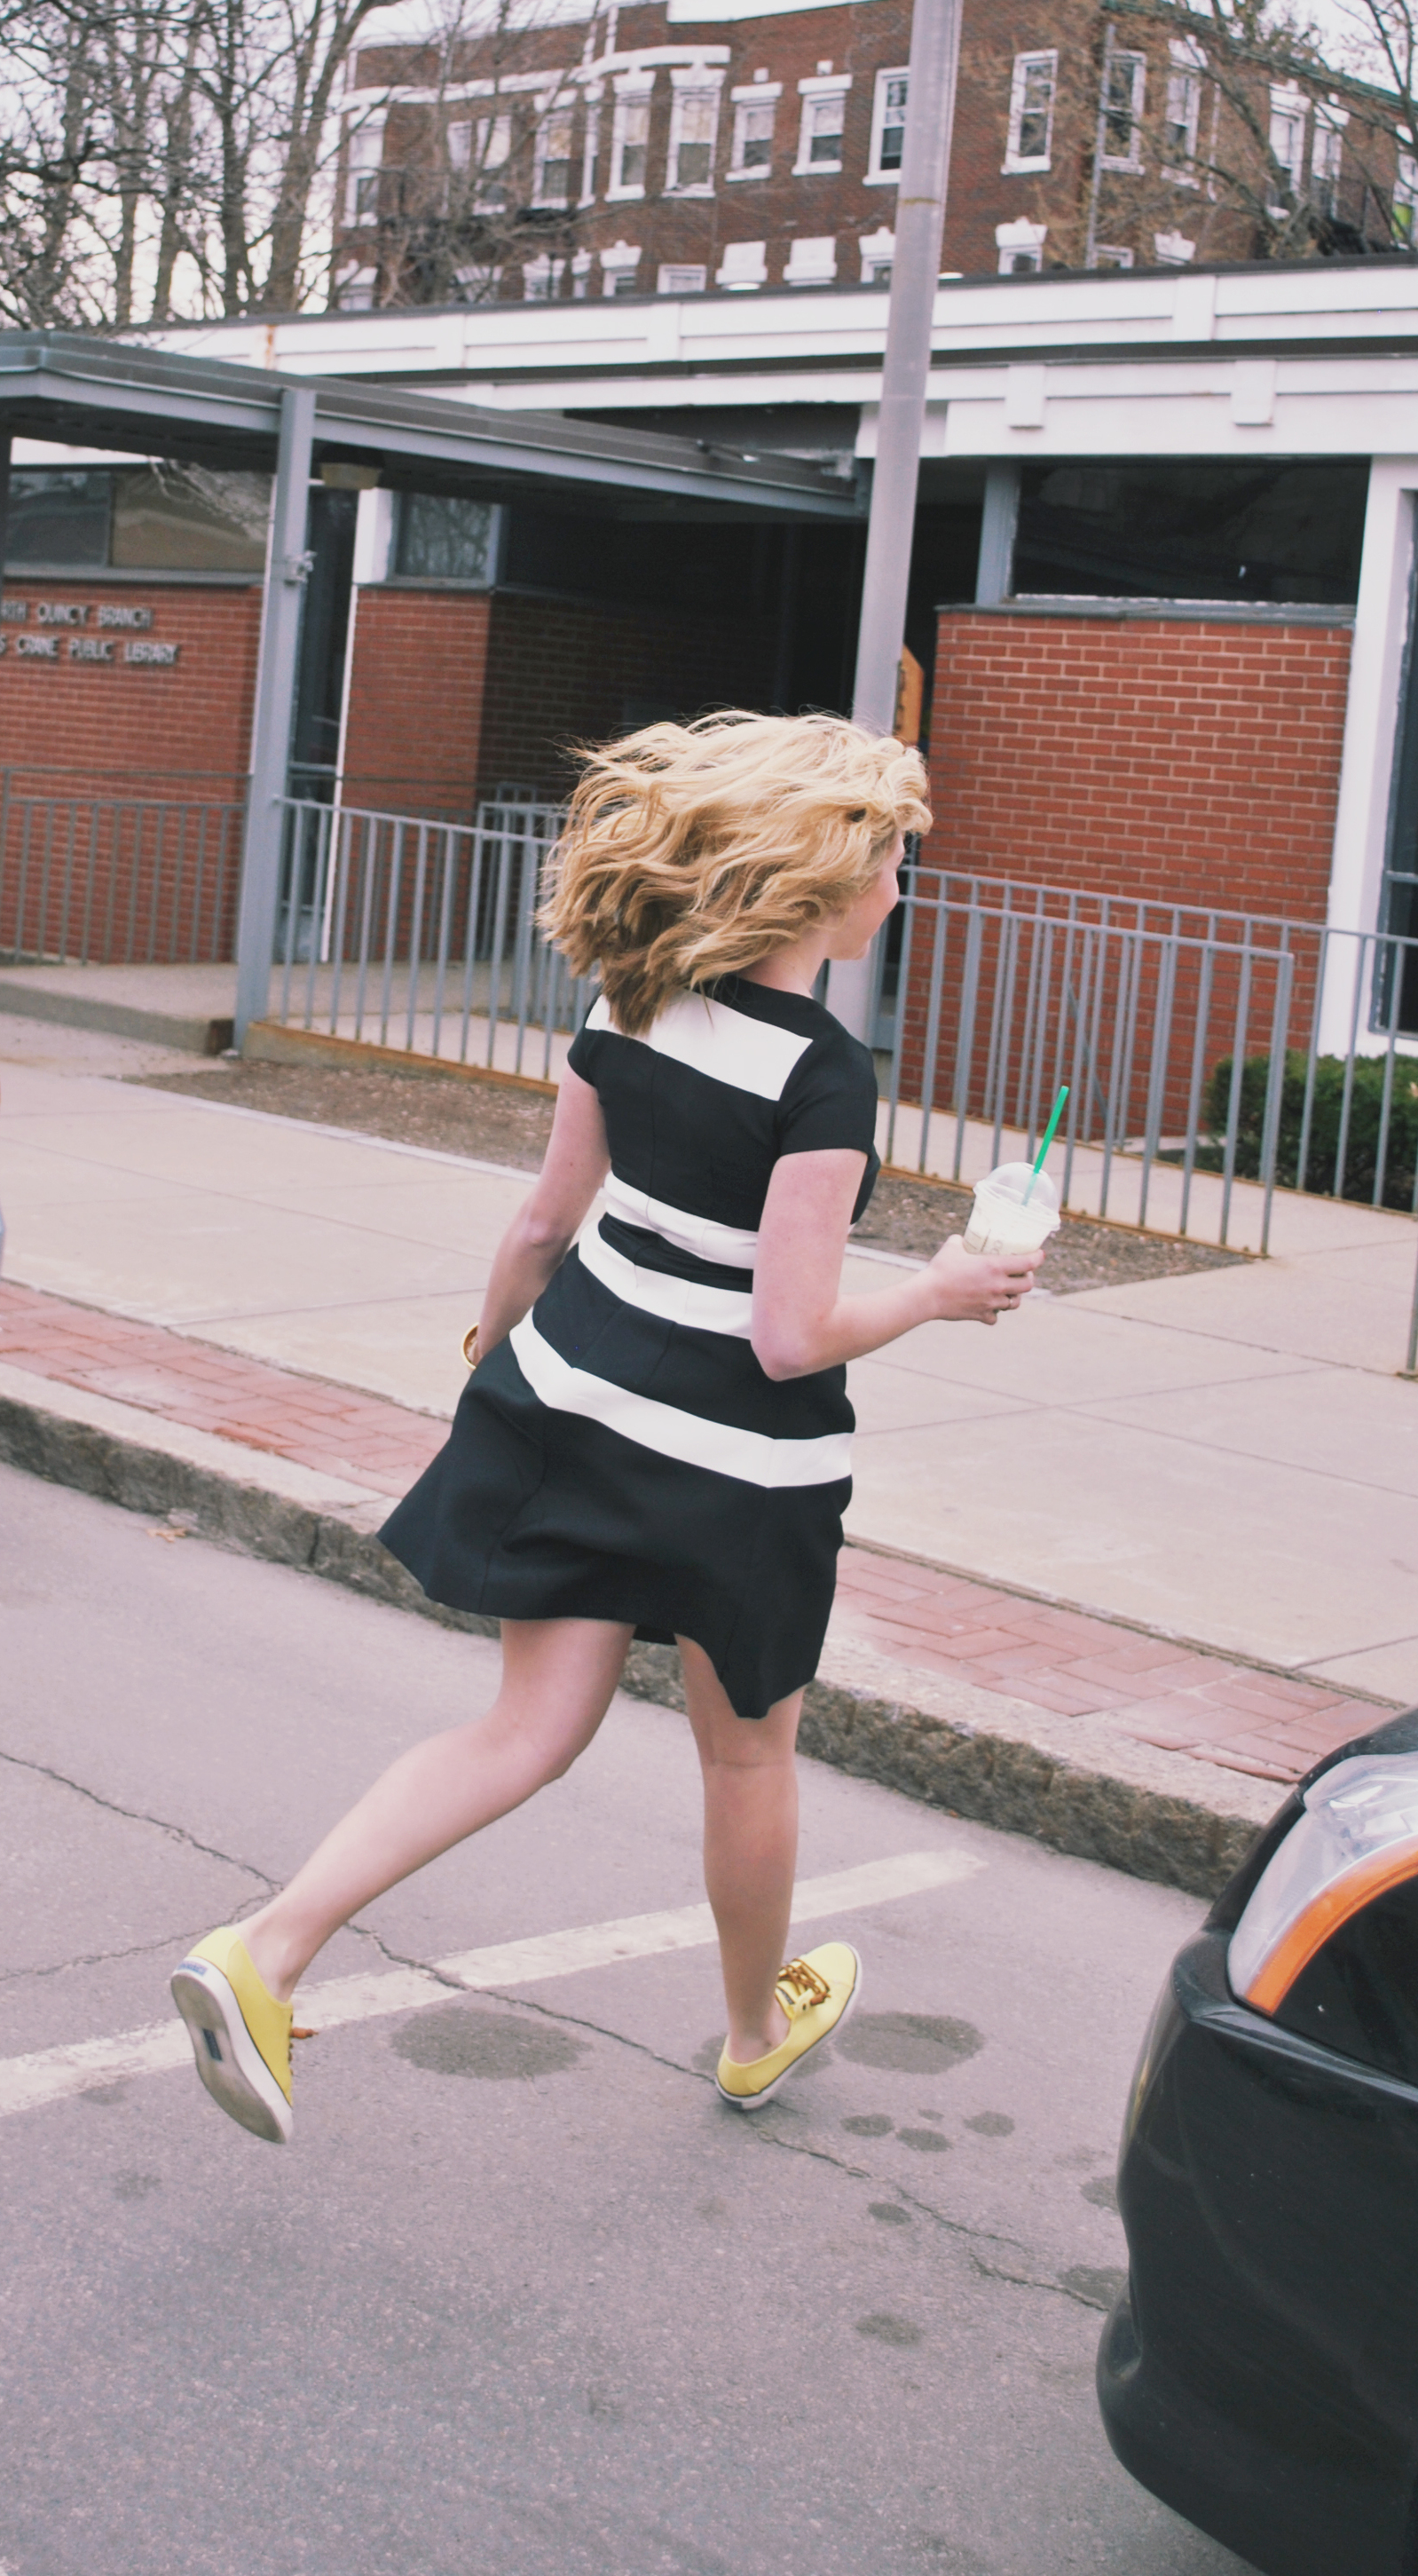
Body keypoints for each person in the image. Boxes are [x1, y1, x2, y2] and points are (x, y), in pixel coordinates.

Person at [171, 710, 1044, 2145]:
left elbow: (538, 1224)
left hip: (570, 1397)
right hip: (735, 1471)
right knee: (748, 1757)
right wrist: (944, 1292)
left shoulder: (622, 1005)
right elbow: (789, 1334)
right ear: (819, 878)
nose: (903, 880)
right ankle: (757, 2033)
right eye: (892, 854)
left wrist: (493, 1370)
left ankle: (263, 1954)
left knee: (524, 1729)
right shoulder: (822, 1076)